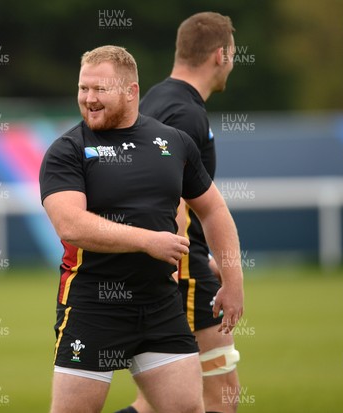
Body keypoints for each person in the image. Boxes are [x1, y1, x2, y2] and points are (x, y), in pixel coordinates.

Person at [39, 45, 244, 413]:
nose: (88, 99)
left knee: (185, 408)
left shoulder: (173, 142)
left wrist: (234, 280)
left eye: (99, 89)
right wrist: (147, 241)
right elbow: (70, 224)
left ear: (131, 92)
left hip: (160, 304)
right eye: (83, 89)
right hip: (92, 305)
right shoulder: (67, 150)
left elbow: (213, 209)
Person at [117, 12, 242, 413]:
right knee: (221, 395)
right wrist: (190, 264)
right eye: (234, 54)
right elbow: (163, 196)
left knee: (157, 403)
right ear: (221, 55)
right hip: (182, 275)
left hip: (174, 265)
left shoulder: (156, 98)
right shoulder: (187, 115)